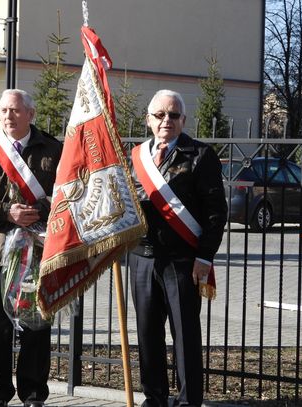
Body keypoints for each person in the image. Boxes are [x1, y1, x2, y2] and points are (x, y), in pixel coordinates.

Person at [0, 89, 62, 407]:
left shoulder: (53, 148)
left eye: (15, 110)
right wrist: (7, 213)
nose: (8, 116)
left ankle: (33, 395)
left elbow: (69, 190)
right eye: (3, 110)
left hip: (38, 250)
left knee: (36, 324)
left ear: (30, 114)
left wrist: (41, 208)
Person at [129, 89, 227, 407]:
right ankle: (154, 397)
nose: (166, 120)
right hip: (142, 258)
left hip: (182, 260)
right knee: (148, 333)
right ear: (149, 120)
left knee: (185, 335)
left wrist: (204, 256)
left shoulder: (200, 155)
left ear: (183, 120)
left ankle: (188, 401)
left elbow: (215, 212)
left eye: (173, 115)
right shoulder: (135, 157)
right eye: (159, 115)